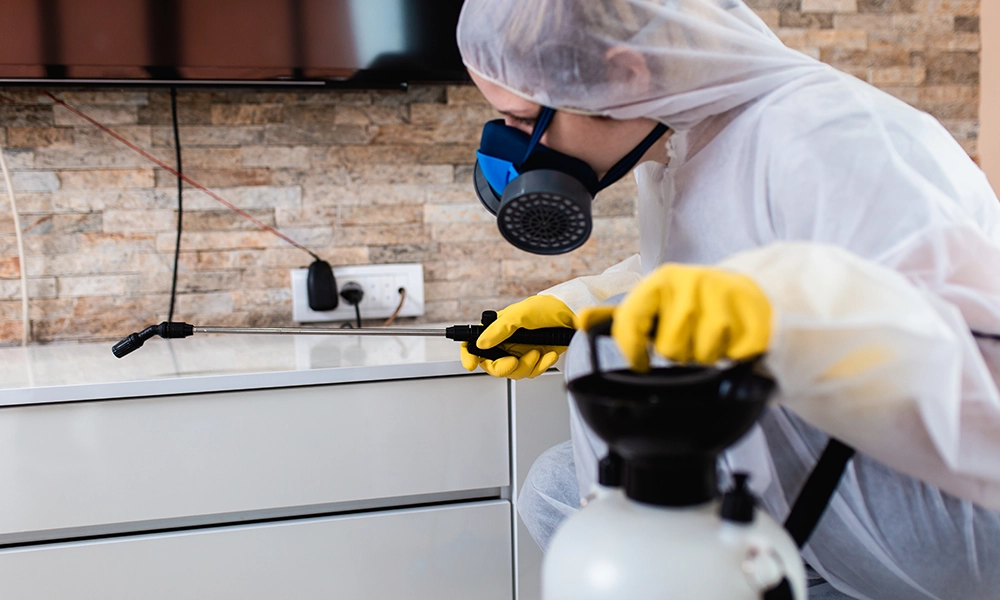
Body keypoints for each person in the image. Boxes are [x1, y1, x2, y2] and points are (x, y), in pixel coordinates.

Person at [455, 1, 1000, 599]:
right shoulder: (684, 139)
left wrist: (780, 317)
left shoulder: (827, 135)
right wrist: (580, 307)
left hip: (955, 504)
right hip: (838, 482)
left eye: (519, 118)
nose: (507, 145)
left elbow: (976, 360)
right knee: (557, 485)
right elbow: (719, 263)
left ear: (628, 73)